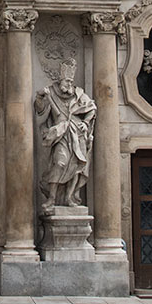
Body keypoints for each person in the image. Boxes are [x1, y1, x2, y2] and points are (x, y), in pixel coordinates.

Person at [34, 58, 97, 211]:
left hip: (77, 133)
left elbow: (92, 108)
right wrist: (40, 97)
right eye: (67, 81)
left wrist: (86, 123)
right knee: (60, 163)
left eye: (71, 81)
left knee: (77, 166)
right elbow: (40, 110)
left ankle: (70, 197)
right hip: (61, 134)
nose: (69, 84)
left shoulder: (78, 94)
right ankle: (52, 198)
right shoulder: (51, 92)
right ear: (60, 80)